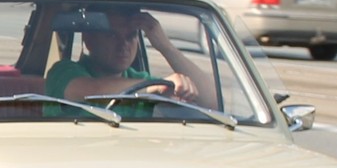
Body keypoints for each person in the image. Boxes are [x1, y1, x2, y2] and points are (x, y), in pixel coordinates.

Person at [44, 8, 213, 112]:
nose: (123, 45)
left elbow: (213, 102)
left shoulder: (142, 80)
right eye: (112, 36)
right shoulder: (63, 72)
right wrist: (156, 87)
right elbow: (92, 90)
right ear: (89, 40)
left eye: (131, 36)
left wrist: (165, 46)